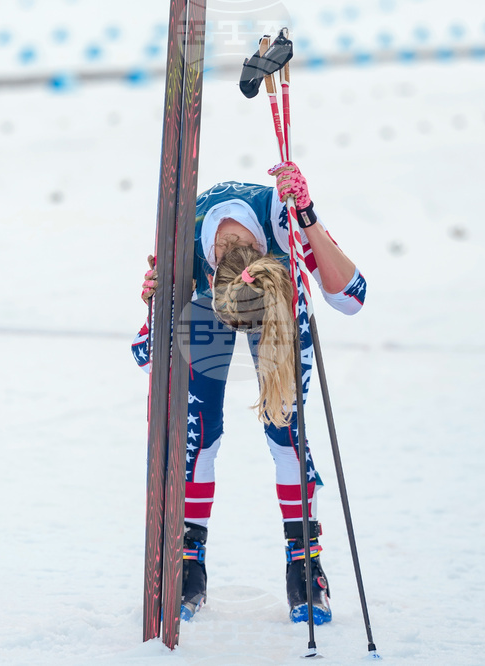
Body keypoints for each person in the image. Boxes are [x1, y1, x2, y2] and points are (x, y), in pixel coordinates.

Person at [132, 162, 367, 623]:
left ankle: (305, 564)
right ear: (211, 269)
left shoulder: (283, 219)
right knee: (198, 434)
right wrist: (156, 305)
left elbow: (351, 298)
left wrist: (308, 218)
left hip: (277, 299)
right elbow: (149, 359)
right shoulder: (183, 241)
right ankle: (189, 561)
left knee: (286, 431)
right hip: (202, 303)